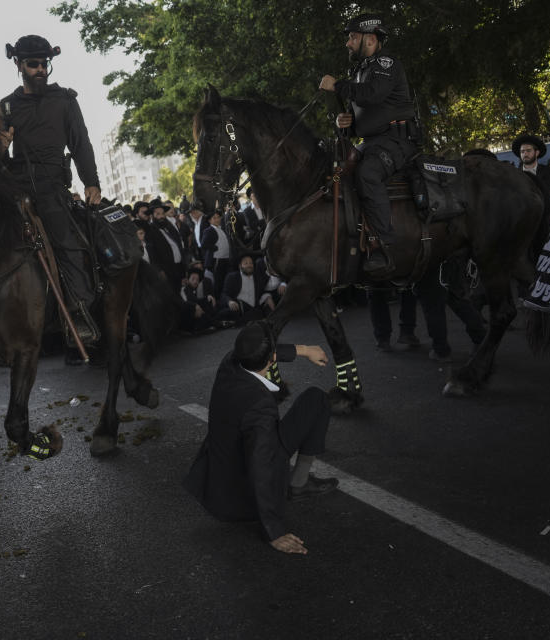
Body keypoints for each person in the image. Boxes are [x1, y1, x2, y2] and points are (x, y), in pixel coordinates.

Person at [183, 322, 339, 555]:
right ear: (271, 360)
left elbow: (262, 351)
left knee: (314, 398)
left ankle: (299, 483)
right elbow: (261, 466)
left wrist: (304, 350)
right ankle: (298, 485)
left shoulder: (230, 363)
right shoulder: (259, 407)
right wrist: (274, 530)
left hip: (219, 474)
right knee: (317, 400)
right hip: (240, 494)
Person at [0, 34, 102, 345]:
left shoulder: (65, 100)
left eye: (44, 63)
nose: (40, 69)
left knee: (66, 242)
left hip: (53, 188)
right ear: (19, 65)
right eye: (33, 64)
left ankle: (79, 310)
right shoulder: (5, 108)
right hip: (17, 190)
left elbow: (81, 145)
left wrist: (91, 182)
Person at [319, 13, 419, 275]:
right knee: (339, 175)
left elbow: (373, 95)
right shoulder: (359, 71)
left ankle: (385, 246)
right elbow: (361, 117)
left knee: (367, 173)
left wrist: (338, 86)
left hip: (397, 141)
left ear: (371, 39)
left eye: (352, 37)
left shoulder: (386, 63)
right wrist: (345, 123)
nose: (348, 43)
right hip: (371, 142)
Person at [511, 134, 550, 199]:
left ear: (537, 153)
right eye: (522, 151)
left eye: (528, 150)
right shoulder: (515, 174)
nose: (525, 154)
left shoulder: (548, 171)